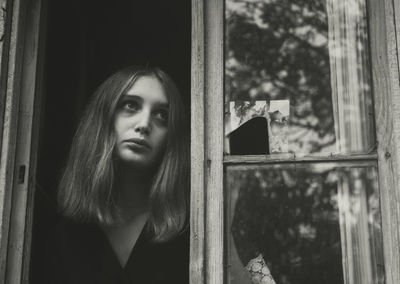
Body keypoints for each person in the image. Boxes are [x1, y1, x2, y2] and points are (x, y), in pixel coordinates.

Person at [34, 66, 189, 284]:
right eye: (130, 105)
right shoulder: (63, 238)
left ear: (171, 137)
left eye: (162, 115)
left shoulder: (189, 233)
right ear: (104, 118)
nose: (144, 125)